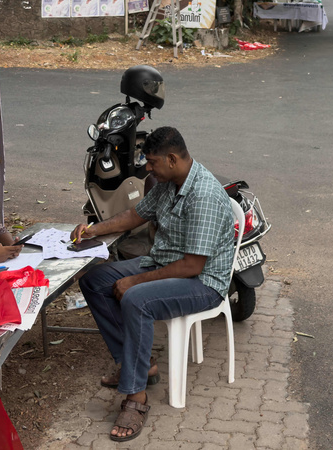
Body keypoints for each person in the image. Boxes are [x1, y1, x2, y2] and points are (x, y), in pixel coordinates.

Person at [73, 127, 234, 442]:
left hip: (202, 282)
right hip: (164, 263)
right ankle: (139, 365)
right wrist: (93, 230)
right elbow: (136, 215)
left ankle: (136, 398)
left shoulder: (203, 194)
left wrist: (135, 280)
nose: (147, 168)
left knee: (136, 298)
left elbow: (192, 265)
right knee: (94, 280)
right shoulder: (169, 182)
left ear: (172, 159)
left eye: (152, 162)